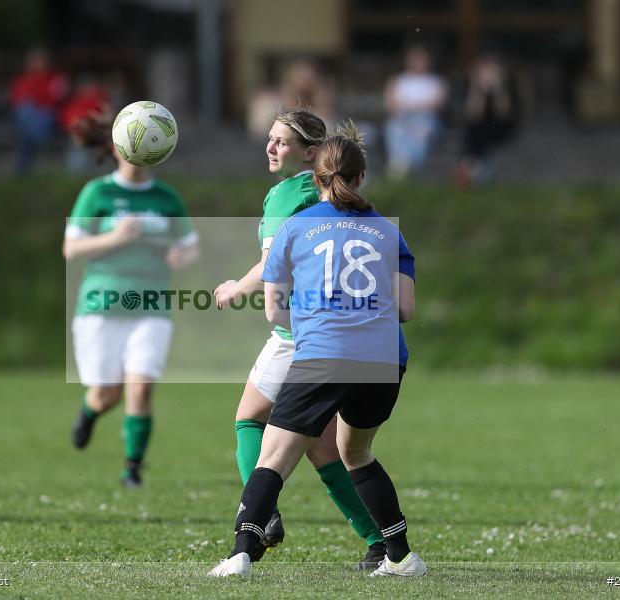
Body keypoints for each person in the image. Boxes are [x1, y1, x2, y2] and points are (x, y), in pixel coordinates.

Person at [210, 124, 424, 577]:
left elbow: (274, 309)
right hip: (385, 361)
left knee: (273, 457)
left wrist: (319, 324)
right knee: (355, 453)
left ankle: (240, 554)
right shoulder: (389, 231)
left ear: (318, 177)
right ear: (361, 177)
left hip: (322, 355)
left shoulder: (295, 226)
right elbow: (405, 310)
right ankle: (400, 556)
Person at [63, 112, 199, 488]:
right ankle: (90, 412)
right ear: (115, 147)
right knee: (107, 394)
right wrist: (115, 237)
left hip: (151, 305)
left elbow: (190, 248)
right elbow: (71, 249)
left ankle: (132, 470)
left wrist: (180, 257)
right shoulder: (98, 193)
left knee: (140, 387)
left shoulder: (166, 198)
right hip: (100, 305)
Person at [455, 51, 520, 186]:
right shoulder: (470, 85)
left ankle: (469, 168)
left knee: (482, 130)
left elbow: (504, 113)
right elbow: (472, 113)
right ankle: (474, 170)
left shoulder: (508, 85)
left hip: (500, 128)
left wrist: (499, 88)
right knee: (477, 127)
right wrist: (477, 87)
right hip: (478, 130)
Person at [382, 45, 448, 178]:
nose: (417, 62)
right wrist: (411, 108)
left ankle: (408, 165)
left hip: (425, 119)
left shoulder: (436, 81)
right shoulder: (397, 80)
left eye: (421, 58)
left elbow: (439, 104)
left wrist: (412, 107)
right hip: (402, 119)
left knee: (421, 133)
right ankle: (400, 162)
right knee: (394, 129)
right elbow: (389, 103)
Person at [9, 47, 69, 174]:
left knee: (28, 121)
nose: (36, 64)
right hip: (29, 117)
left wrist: (36, 98)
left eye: (39, 60)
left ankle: (22, 168)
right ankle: (35, 136)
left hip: (48, 114)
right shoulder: (22, 79)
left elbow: (56, 99)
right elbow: (16, 99)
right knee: (25, 112)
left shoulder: (55, 78)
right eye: (34, 61)